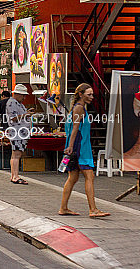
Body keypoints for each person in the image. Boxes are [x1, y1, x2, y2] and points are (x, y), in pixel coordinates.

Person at [59, 84, 110, 218]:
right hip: (80, 146)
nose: (92, 97)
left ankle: (63, 208)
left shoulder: (77, 108)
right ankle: (93, 209)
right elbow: (75, 128)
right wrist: (71, 146)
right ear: (81, 94)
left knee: (73, 177)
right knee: (89, 175)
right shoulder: (79, 108)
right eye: (89, 94)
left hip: (77, 145)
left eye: (92, 94)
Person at [6, 84, 33, 184]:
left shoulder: (18, 103)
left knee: (16, 154)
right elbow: (13, 117)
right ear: (18, 94)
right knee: (17, 154)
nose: (24, 98)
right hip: (17, 132)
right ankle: (15, 176)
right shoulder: (12, 103)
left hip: (20, 132)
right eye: (23, 95)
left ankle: (14, 175)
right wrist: (26, 114)